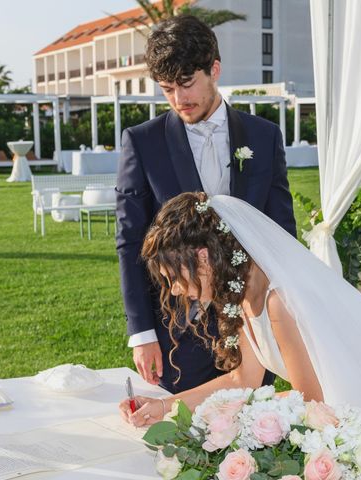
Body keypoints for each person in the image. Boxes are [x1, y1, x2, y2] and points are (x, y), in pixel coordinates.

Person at [119, 192, 361, 479]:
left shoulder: (279, 301)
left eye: (173, 277)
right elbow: (242, 378)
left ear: (202, 258)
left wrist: (228, 415)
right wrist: (166, 405)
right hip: (348, 405)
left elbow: (308, 400)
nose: (176, 291)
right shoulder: (237, 294)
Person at [116, 15, 296, 394]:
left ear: (214, 69)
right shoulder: (142, 143)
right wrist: (142, 332)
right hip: (178, 330)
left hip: (255, 321)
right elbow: (131, 241)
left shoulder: (264, 137)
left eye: (187, 83)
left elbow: (281, 232)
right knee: (185, 435)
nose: (179, 99)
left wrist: (279, 314)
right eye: (167, 89)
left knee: (258, 429)